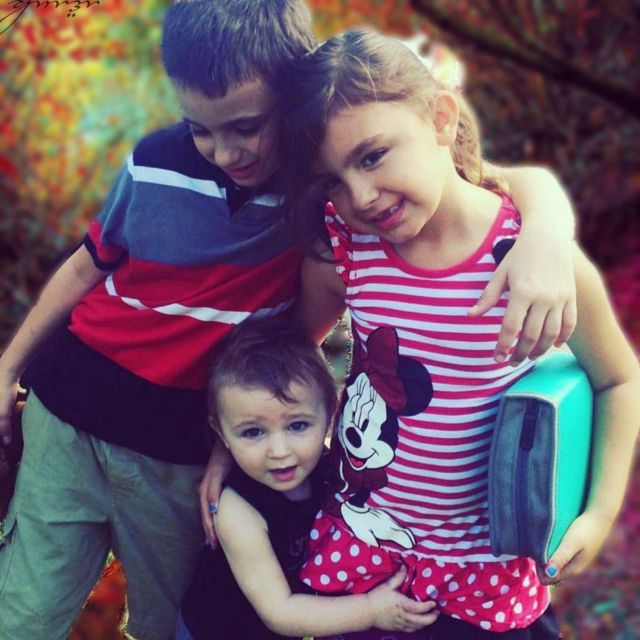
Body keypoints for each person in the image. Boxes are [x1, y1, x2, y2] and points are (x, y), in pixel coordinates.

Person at [0, 1, 577, 638]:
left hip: (177, 441)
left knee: (166, 618)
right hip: (73, 402)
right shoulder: (161, 163)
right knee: (24, 613)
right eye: (200, 128)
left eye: (246, 125)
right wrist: (8, 368)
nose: (223, 151)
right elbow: (89, 265)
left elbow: (484, 176)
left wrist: (548, 228)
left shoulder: (333, 193)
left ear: (292, 95)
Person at [277, 29, 640, 639]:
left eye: (372, 156)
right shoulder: (346, 249)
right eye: (332, 180)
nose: (359, 195)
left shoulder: (530, 255)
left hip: (486, 571)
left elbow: (619, 379)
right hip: (367, 555)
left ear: (441, 119)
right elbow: (294, 350)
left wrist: (599, 512)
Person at [176, 317, 440, 639]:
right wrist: (371, 610)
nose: (279, 451)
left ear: (330, 414)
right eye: (253, 432)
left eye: (297, 425)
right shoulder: (237, 511)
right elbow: (280, 612)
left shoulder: (327, 469)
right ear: (222, 433)